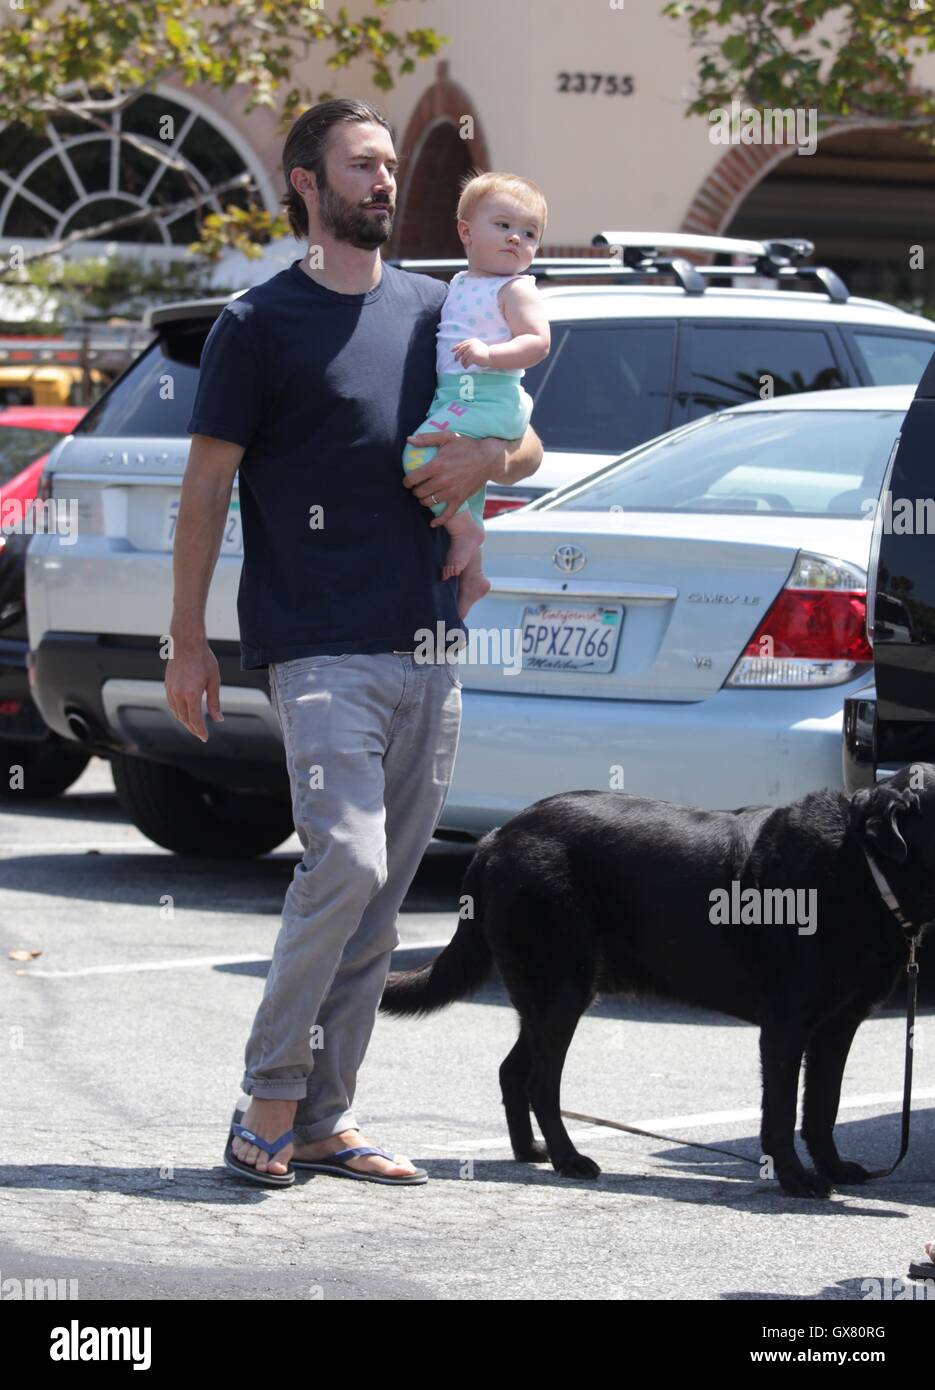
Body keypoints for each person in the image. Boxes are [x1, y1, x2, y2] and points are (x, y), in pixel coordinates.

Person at [164, 97, 543, 1186]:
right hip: (316, 645)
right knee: (347, 859)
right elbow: (204, 491)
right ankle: (267, 1100)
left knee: (381, 901)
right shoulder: (257, 324)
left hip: (428, 644)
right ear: (304, 183)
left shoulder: (437, 308)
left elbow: (518, 432)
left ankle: (326, 1119)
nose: (384, 181)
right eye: (362, 165)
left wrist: (488, 465)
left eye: (388, 164)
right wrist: (185, 640)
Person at [401, 172, 550, 618]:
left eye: (529, 233)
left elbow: (538, 342)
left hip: (487, 396)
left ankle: (466, 536)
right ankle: (473, 579)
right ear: (466, 231)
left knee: (417, 458)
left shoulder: (516, 288)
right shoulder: (462, 283)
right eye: (503, 226)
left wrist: (491, 353)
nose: (515, 239)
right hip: (459, 397)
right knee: (468, 490)